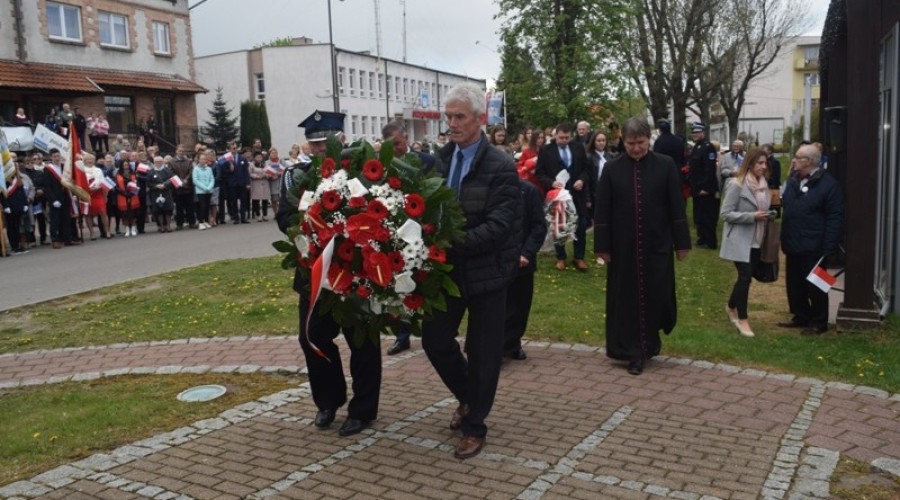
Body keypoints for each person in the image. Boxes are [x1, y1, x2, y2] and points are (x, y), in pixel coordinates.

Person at [424, 82, 520, 459]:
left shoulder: (501, 166)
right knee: (434, 340)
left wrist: (450, 242)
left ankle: (475, 425)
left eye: (459, 116)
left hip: (488, 273)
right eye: (448, 117)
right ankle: (468, 397)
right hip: (446, 273)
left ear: (480, 119)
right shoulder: (440, 160)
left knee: (482, 352)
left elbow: (500, 226)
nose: (452, 124)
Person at [276, 109, 382, 437]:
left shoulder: (362, 173)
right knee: (312, 337)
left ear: (341, 140)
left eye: (326, 143)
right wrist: (309, 225)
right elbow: (285, 219)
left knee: (362, 340)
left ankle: (363, 410)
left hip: (355, 269)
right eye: (315, 145)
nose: (320, 150)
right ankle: (328, 400)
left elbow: (381, 214)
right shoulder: (297, 177)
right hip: (315, 271)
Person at [594, 117, 692, 375]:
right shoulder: (612, 169)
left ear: (649, 139)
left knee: (655, 294)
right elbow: (602, 211)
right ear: (622, 142)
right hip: (623, 248)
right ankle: (632, 351)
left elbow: (676, 206)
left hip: (657, 243)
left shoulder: (666, 165)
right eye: (630, 144)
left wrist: (682, 243)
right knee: (625, 298)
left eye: (641, 142)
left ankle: (649, 344)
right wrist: (603, 247)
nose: (636, 148)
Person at [380, 120, 441, 356]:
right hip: (395, 233)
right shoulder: (383, 166)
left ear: (405, 139)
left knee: (424, 281)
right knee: (398, 285)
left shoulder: (426, 161)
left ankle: (431, 334)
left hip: (423, 230)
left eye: (396, 143)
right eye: (389, 145)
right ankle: (401, 335)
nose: (394, 149)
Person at [777, 144, 844, 335]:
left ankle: (819, 320)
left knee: (817, 285)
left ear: (810, 161)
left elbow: (835, 216)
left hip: (816, 244)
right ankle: (801, 315)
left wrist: (830, 245)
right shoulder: (793, 180)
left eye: (798, 157)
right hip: (793, 241)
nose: (794, 160)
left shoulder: (829, 185)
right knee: (794, 282)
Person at [719, 150, 773, 337]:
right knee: (745, 277)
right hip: (739, 240)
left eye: (765, 163)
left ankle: (731, 307)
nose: (763, 166)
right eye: (759, 163)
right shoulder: (737, 184)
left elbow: (764, 208)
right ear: (749, 164)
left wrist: (767, 216)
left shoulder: (764, 185)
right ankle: (743, 319)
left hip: (757, 239)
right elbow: (725, 214)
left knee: (747, 276)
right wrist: (751, 216)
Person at [535, 122, 591, 271]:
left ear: (571, 136)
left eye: (566, 138)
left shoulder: (578, 148)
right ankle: (561, 257)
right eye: (561, 138)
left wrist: (582, 180)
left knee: (581, 225)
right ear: (555, 135)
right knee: (558, 226)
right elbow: (539, 173)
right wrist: (551, 182)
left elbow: (586, 169)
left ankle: (579, 257)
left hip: (577, 194)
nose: (564, 141)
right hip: (558, 195)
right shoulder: (546, 150)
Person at [503, 179, 548, 360]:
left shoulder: (528, 191)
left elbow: (538, 225)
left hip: (521, 259)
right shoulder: (487, 188)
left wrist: (527, 253)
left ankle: (512, 343)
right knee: (495, 308)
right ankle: (494, 349)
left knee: (519, 306)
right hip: (494, 261)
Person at [688, 122, 720, 249]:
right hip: (697, 188)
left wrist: (705, 188)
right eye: (693, 133)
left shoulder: (708, 147)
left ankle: (711, 241)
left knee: (708, 216)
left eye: (697, 132)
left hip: (705, 189)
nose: (695, 135)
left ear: (703, 133)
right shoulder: (697, 147)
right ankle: (702, 238)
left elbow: (709, 169)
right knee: (699, 216)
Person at [83, 153, 111, 240]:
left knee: (103, 212)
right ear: (84, 161)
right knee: (88, 214)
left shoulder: (98, 170)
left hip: (98, 194)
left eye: (91, 159)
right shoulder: (82, 170)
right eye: (88, 159)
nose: (90, 161)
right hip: (87, 194)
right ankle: (92, 233)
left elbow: (103, 182)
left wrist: (105, 195)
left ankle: (107, 231)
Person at [171, 145, 196, 230]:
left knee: (190, 206)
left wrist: (186, 180)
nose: (181, 152)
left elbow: (191, 171)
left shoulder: (189, 161)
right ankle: (179, 224)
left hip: (188, 187)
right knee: (179, 207)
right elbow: (171, 173)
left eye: (182, 151)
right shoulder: (171, 162)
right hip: (178, 188)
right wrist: (180, 181)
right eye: (179, 151)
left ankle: (192, 222)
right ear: (176, 151)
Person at [148, 156, 174, 232]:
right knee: (159, 210)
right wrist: (156, 186)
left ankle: (168, 226)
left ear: (162, 162)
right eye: (156, 161)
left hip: (166, 192)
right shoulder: (151, 172)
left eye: (160, 161)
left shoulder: (167, 170)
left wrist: (165, 185)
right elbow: (148, 183)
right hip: (156, 193)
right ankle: (162, 226)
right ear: (154, 163)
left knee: (168, 209)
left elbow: (172, 179)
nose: (158, 163)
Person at [192, 151, 214, 230]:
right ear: (198, 160)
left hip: (209, 190)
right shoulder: (196, 169)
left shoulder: (209, 169)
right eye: (201, 159)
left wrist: (209, 187)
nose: (203, 161)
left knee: (207, 206)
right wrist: (205, 188)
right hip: (200, 191)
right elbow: (195, 180)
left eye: (204, 159)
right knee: (202, 206)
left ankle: (206, 221)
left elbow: (212, 179)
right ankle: (201, 222)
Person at [248, 151, 271, 222]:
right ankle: (258, 215)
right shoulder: (251, 164)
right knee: (255, 200)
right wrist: (256, 176)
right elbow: (250, 173)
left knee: (265, 199)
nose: (259, 158)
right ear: (254, 158)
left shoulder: (265, 164)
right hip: (256, 183)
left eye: (260, 157)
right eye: (257, 157)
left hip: (264, 183)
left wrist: (266, 175)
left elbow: (269, 172)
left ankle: (265, 214)